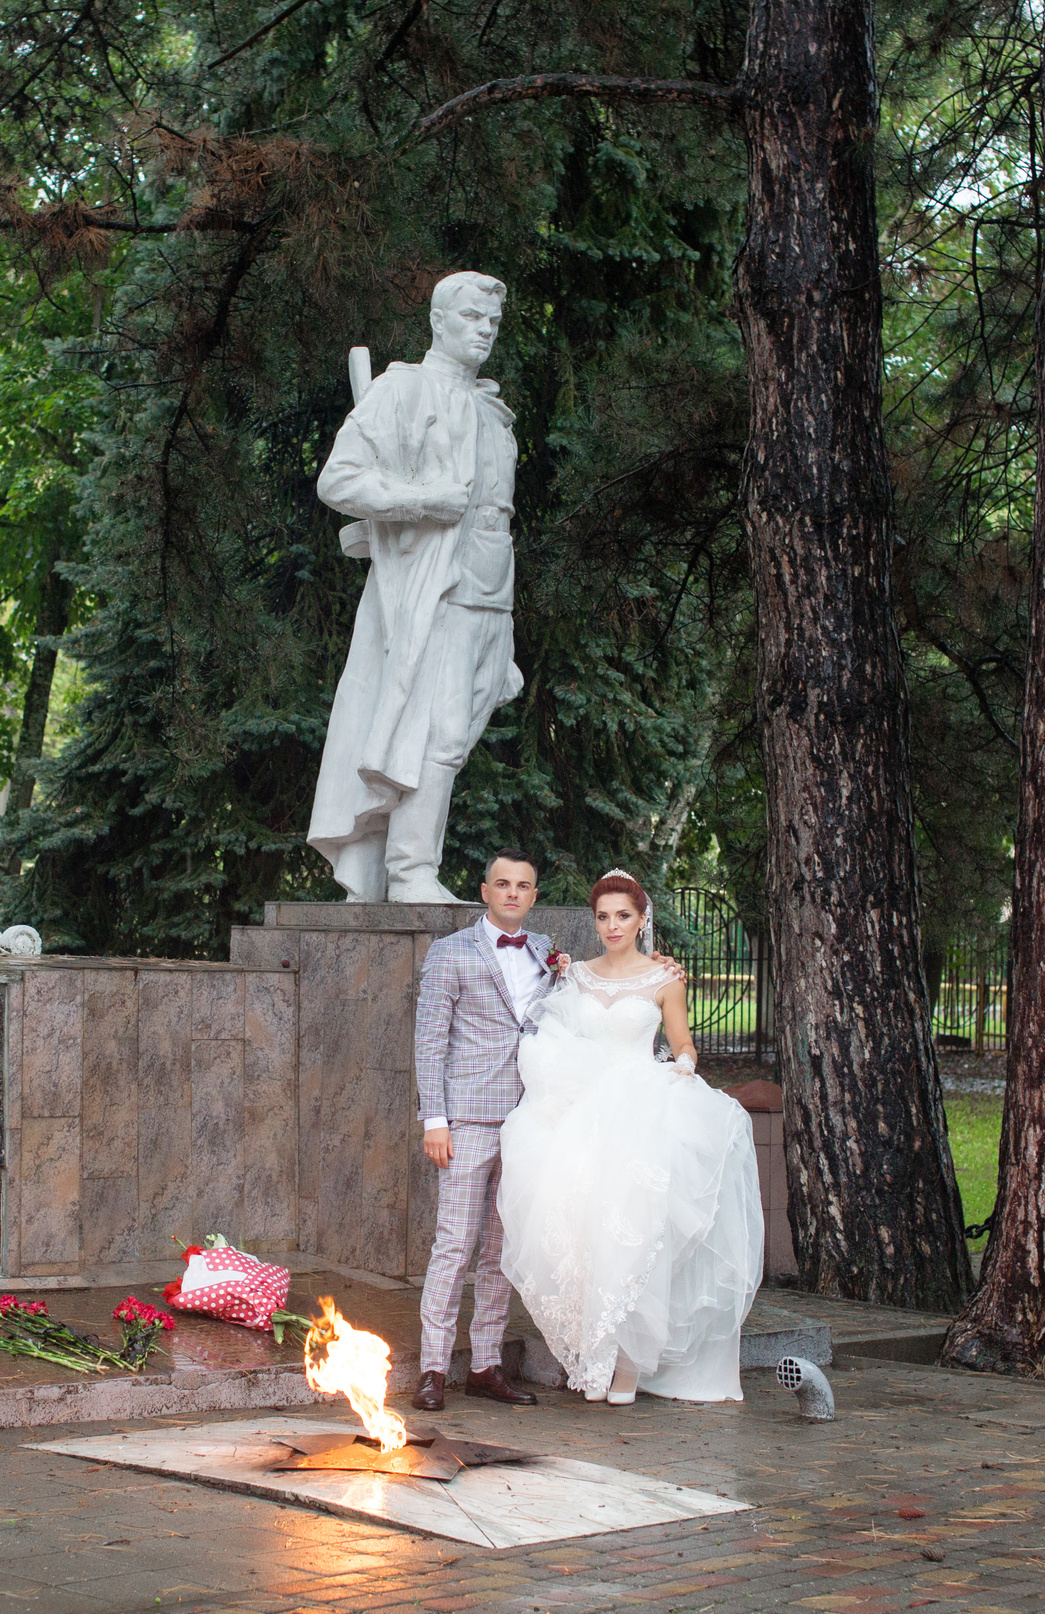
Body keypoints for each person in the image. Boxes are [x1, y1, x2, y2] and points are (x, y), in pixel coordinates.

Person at [497, 869, 764, 1404]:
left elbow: (682, 1041)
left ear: (642, 920)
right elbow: (556, 1035)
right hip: (582, 1111)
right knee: (582, 1231)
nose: (612, 926)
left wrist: (684, 1064)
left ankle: (627, 1366)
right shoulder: (575, 975)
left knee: (631, 1233)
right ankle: (594, 1354)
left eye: (623, 916)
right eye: (603, 917)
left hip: (639, 1109)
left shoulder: (665, 977)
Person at [306, 272, 523, 903]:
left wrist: (505, 632)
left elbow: (497, 518)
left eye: (492, 322)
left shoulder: (492, 411)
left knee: (451, 740)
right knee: (434, 733)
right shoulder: (402, 389)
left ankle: (394, 867)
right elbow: (339, 480)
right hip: (432, 590)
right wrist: (421, 500)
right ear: (438, 320)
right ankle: (410, 872)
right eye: (472, 318)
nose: (484, 331)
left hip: (489, 594)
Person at [408, 849, 562, 1411]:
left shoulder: (547, 953)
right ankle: (432, 1369)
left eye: (523, 885)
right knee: (453, 1245)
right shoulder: (450, 952)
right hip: (467, 1120)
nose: (512, 893)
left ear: (534, 895)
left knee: (501, 1250)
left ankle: (485, 1366)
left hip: (526, 1121)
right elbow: (430, 1040)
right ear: (485, 891)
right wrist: (435, 1119)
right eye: (503, 884)